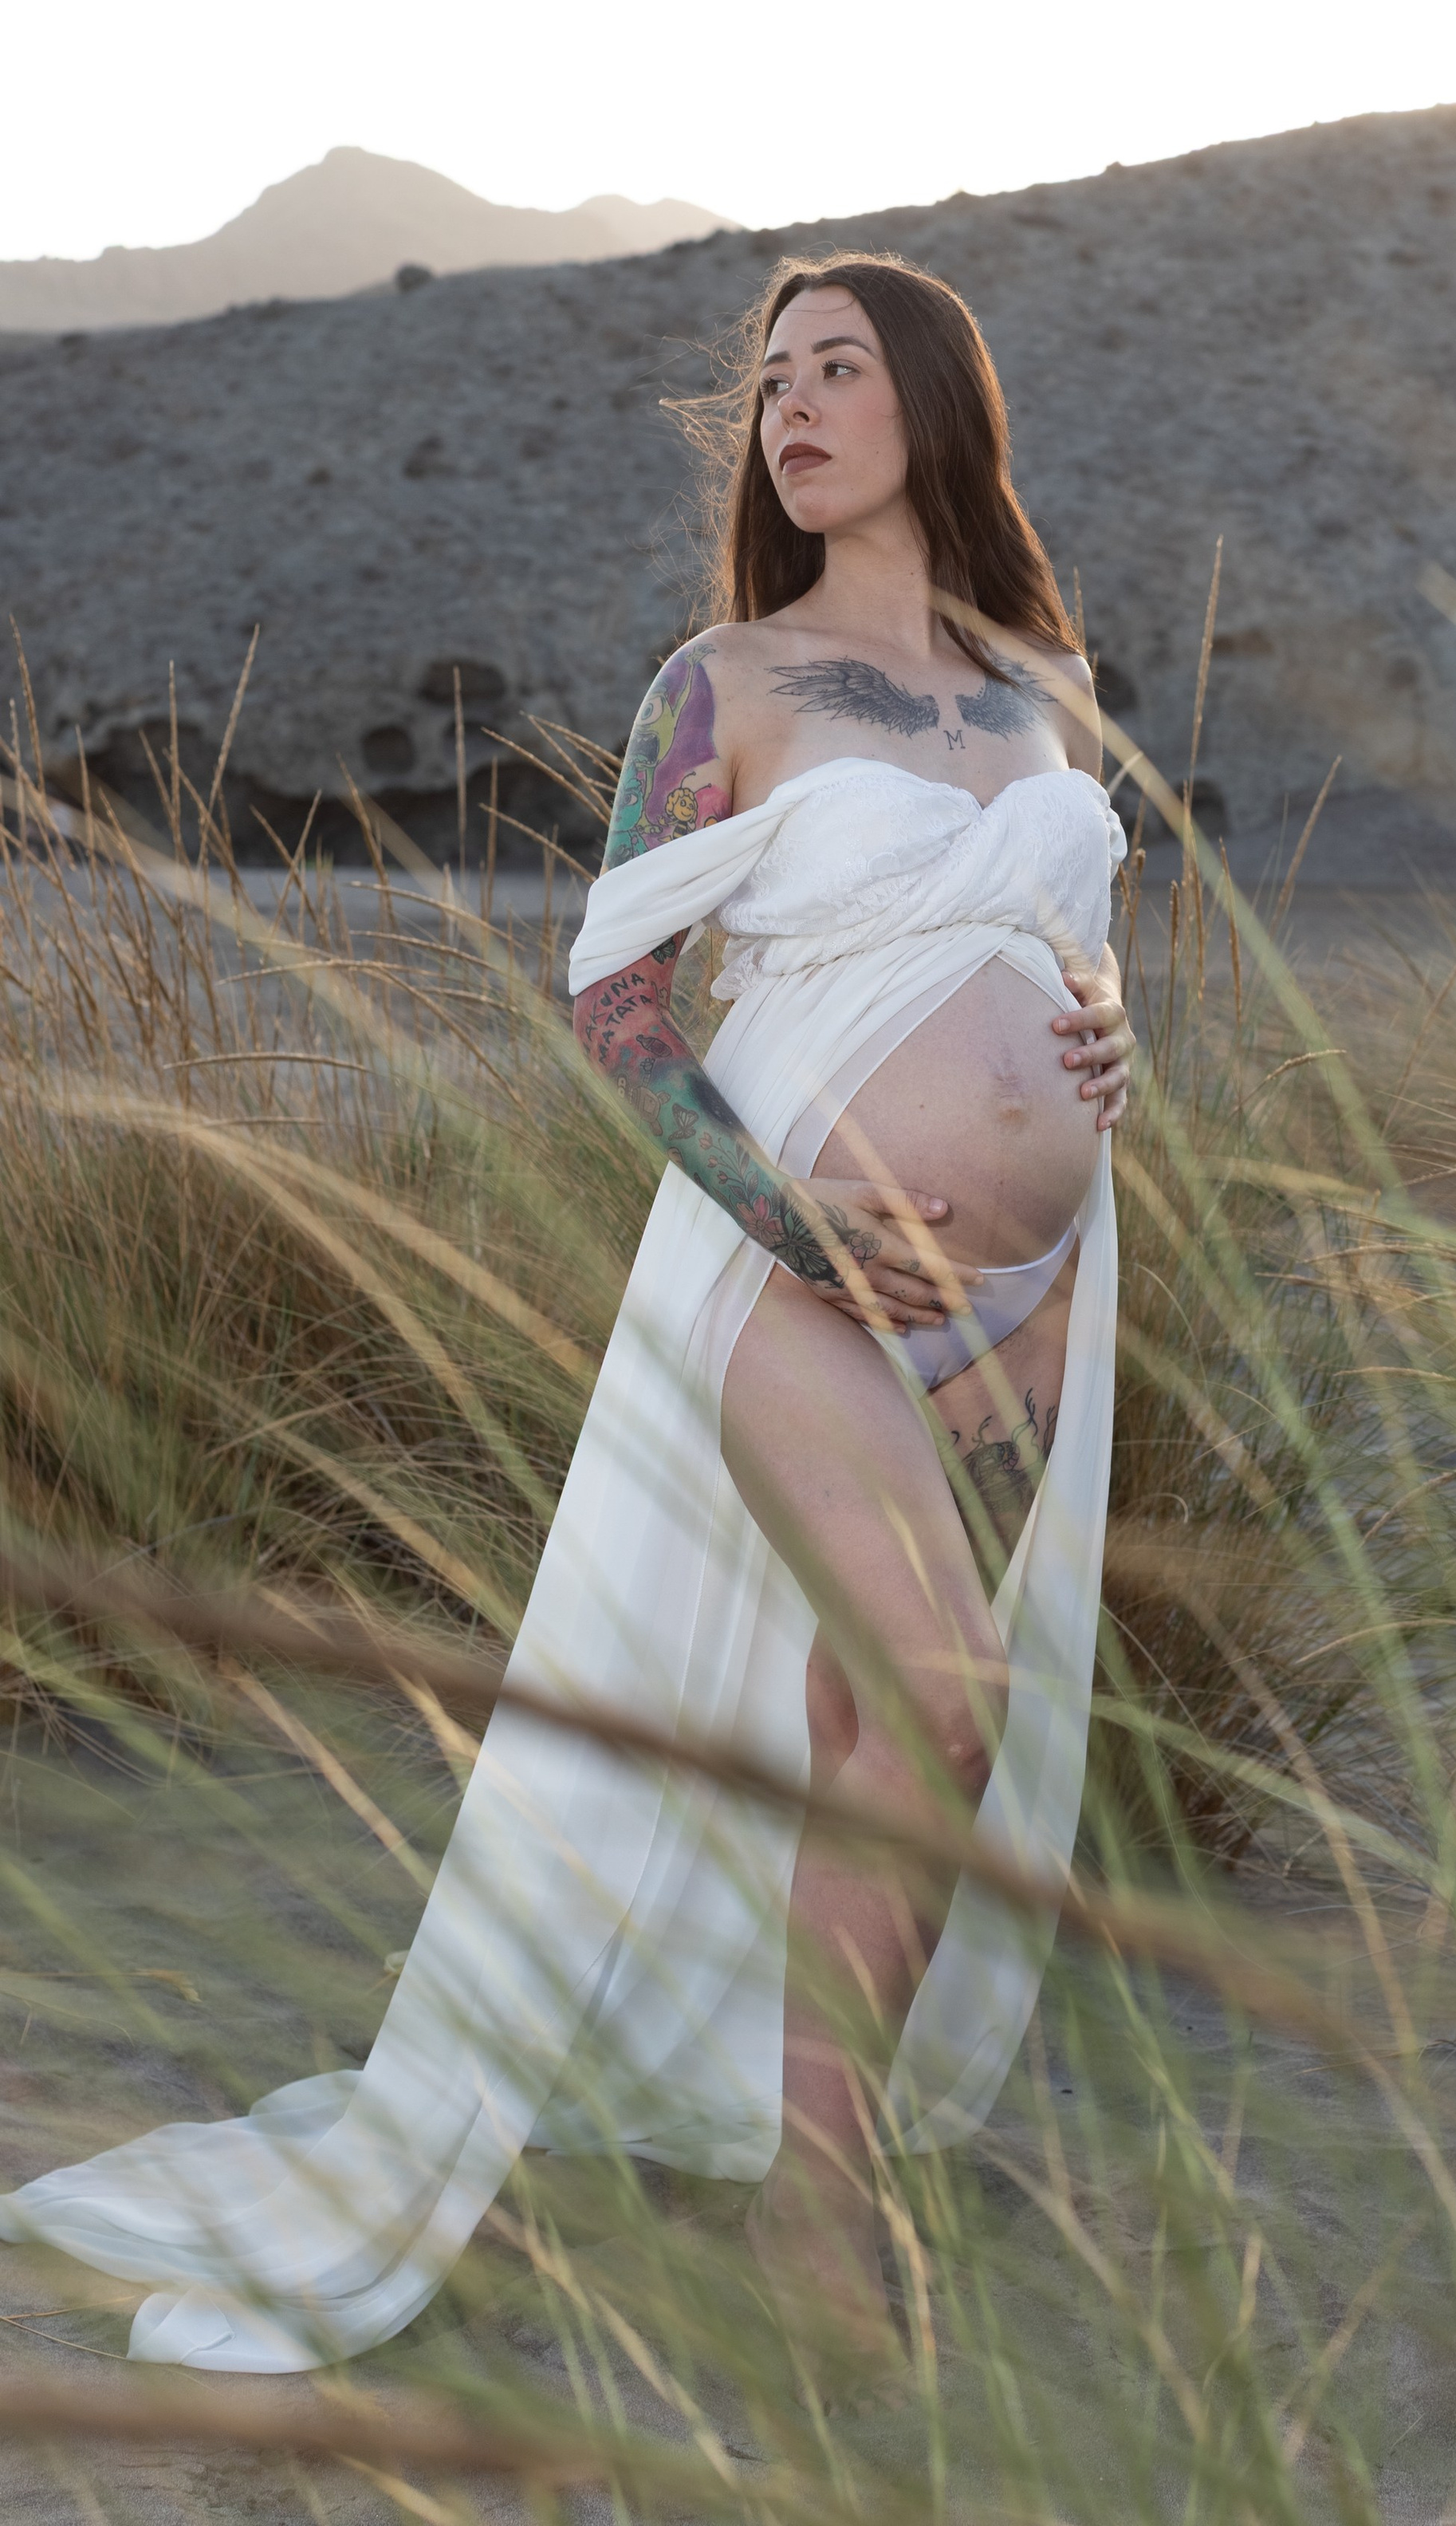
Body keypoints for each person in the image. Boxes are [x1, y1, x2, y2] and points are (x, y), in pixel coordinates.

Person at [0, 252, 1134, 2386]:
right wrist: (782, 1214)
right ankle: (820, 2225)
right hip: (796, 1273)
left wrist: (1107, 1069)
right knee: (947, 1698)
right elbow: (613, 1011)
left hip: (1034, 1297)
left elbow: (1080, 966)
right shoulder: (725, 682)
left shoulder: (1039, 686)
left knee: (880, 1734)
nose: (790, 407)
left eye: (839, 371)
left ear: (938, 411)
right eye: (772, 378)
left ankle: (817, 2141)